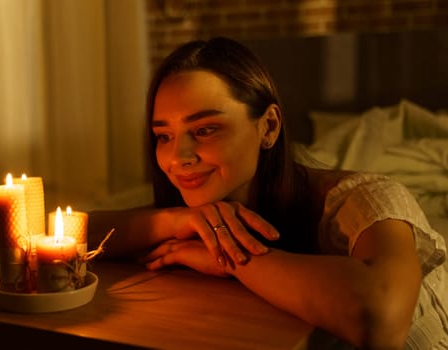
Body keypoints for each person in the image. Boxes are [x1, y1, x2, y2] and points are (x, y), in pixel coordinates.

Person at [88, 37, 447, 349]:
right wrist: (176, 219)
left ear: (269, 127)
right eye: (164, 136)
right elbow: (65, 236)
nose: (177, 158)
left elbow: (380, 322)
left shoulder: (365, 200)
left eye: (205, 129)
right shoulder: (202, 214)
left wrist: (233, 257)